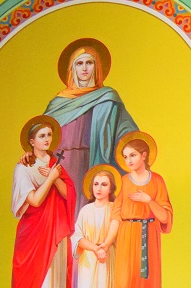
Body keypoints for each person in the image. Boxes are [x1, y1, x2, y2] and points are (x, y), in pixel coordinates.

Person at [0, 116, 75, 288]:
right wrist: (51, 178)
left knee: (54, 278)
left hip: (55, 230)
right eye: (41, 136)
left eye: (49, 135)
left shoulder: (55, 164)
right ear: (31, 141)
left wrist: (56, 177)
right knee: (37, 281)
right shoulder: (23, 167)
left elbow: (68, 194)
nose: (47, 139)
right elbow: (34, 200)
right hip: (34, 232)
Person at [42, 41, 139, 201]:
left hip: (92, 161)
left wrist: (134, 146)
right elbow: (41, 135)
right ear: (72, 68)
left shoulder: (107, 98)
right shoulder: (58, 103)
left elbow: (126, 131)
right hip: (61, 165)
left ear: (97, 67)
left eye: (89, 63)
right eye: (79, 63)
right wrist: (31, 154)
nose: (84, 68)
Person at [109, 132, 171, 288]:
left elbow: (165, 217)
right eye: (125, 156)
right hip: (127, 236)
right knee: (124, 286)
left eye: (133, 155)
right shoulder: (123, 182)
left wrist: (149, 200)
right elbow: (116, 214)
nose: (129, 160)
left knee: (149, 286)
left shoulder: (157, 181)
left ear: (144, 155)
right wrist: (107, 242)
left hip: (149, 235)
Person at [68, 165, 120, 288]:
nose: (99, 188)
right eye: (96, 184)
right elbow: (77, 236)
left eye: (104, 184)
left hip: (108, 257)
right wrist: (95, 249)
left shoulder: (114, 209)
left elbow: (118, 232)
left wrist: (104, 247)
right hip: (89, 259)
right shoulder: (86, 210)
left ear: (111, 188)